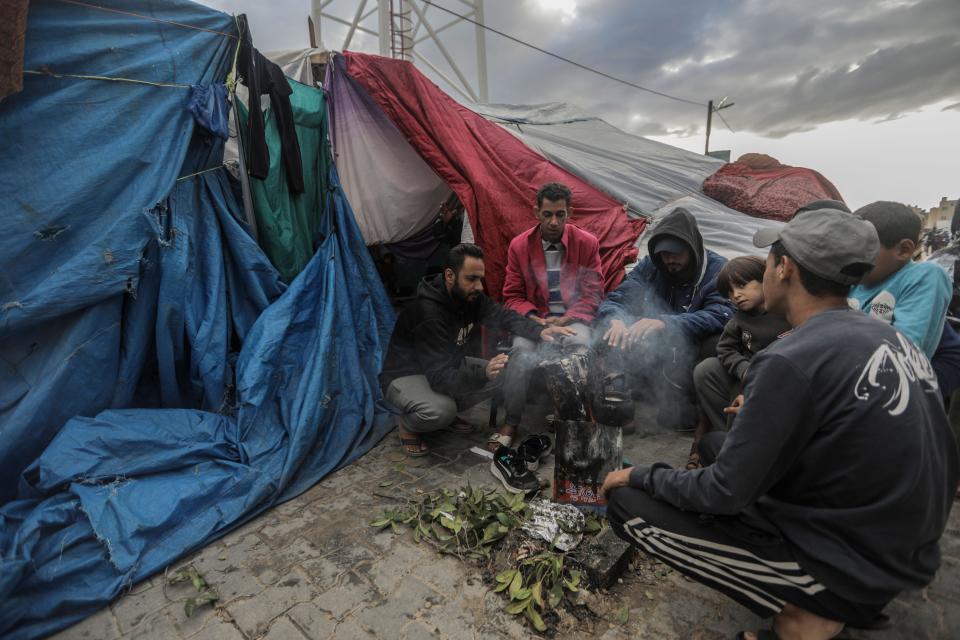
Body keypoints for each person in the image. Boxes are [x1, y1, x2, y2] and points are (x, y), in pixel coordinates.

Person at [601, 209, 958, 640]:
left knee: (628, 504)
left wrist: (640, 473)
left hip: (857, 568)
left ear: (784, 268)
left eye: (769, 260)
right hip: (906, 544)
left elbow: (722, 492)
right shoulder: (887, 336)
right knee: (716, 446)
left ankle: (809, 610)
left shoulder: (790, 357)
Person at [379, 243, 573, 457]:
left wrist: (539, 331)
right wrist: (483, 372)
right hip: (407, 375)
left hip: (443, 367)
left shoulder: (469, 298)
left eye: (480, 278)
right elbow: (440, 377)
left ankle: (447, 409)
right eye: (471, 279)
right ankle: (409, 424)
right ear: (450, 276)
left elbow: (503, 316)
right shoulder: (429, 314)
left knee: (505, 373)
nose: (479, 286)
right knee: (440, 411)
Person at [596, 207, 734, 430]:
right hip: (657, 349)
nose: (669, 259)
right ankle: (619, 405)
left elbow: (723, 314)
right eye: (664, 253)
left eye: (676, 253)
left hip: (692, 348)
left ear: (693, 248)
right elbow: (618, 297)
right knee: (611, 328)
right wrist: (615, 319)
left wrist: (666, 322)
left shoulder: (719, 269)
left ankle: (692, 402)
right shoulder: (651, 266)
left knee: (716, 343)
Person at [494, 182, 603, 449]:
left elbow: (593, 293)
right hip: (535, 322)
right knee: (520, 352)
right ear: (536, 212)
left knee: (580, 348)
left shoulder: (587, 243)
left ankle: (572, 419)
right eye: (547, 214)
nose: (554, 221)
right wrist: (536, 319)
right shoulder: (520, 246)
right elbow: (512, 295)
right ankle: (511, 421)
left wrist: (567, 319)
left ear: (570, 213)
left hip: (572, 320)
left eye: (560, 214)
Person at [689, 256, 791, 466]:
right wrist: (743, 368)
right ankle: (728, 437)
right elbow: (725, 348)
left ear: (765, 279)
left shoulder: (788, 313)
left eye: (742, 286)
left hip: (778, 385)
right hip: (745, 379)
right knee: (706, 370)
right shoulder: (740, 318)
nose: (736, 295)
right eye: (730, 292)